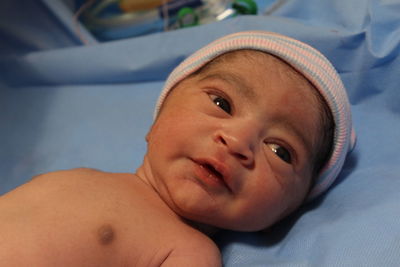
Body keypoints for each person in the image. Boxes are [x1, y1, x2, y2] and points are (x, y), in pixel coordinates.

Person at [0, 31, 355, 266]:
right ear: (156, 122)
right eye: (222, 103)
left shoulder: (188, 250)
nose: (237, 142)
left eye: (280, 151)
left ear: (286, 213)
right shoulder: (85, 177)